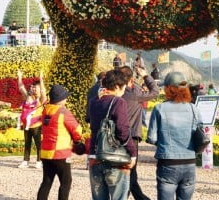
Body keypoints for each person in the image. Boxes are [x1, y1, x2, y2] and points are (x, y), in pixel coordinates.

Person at [147, 71, 197, 200]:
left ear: (169, 88)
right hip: (190, 162)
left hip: (168, 162)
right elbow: (200, 133)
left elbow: (152, 138)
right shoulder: (193, 108)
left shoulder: (160, 108)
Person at [88, 69, 136, 200]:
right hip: (115, 158)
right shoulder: (118, 102)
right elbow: (123, 130)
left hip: (94, 155)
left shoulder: (93, 101)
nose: (124, 91)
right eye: (123, 87)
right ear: (116, 86)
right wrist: (133, 153)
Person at [36, 85, 83, 200]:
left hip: (46, 152)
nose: (66, 99)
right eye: (65, 97)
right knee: (66, 183)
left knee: (47, 181)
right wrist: (77, 140)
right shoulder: (63, 112)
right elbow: (77, 130)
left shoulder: (45, 110)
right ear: (61, 99)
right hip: (60, 153)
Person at [119, 66, 159, 200]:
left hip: (116, 137)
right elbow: (155, 92)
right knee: (131, 171)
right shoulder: (134, 95)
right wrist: (145, 75)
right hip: (131, 137)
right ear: (130, 80)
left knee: (123, 171)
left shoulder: (115, 94)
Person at [18, 69, 47, 169]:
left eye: (35, 88)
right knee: (27, 143)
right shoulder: (27, 97)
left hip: (36, 126)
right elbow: (21, 88)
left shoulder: (41, 100)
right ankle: (26, 161)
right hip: (26, 126)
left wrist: (41, 79)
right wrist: (20, 77)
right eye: (33, 87)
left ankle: (39, 161)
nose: (33, 89)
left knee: (39, 144)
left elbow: (43, 91)